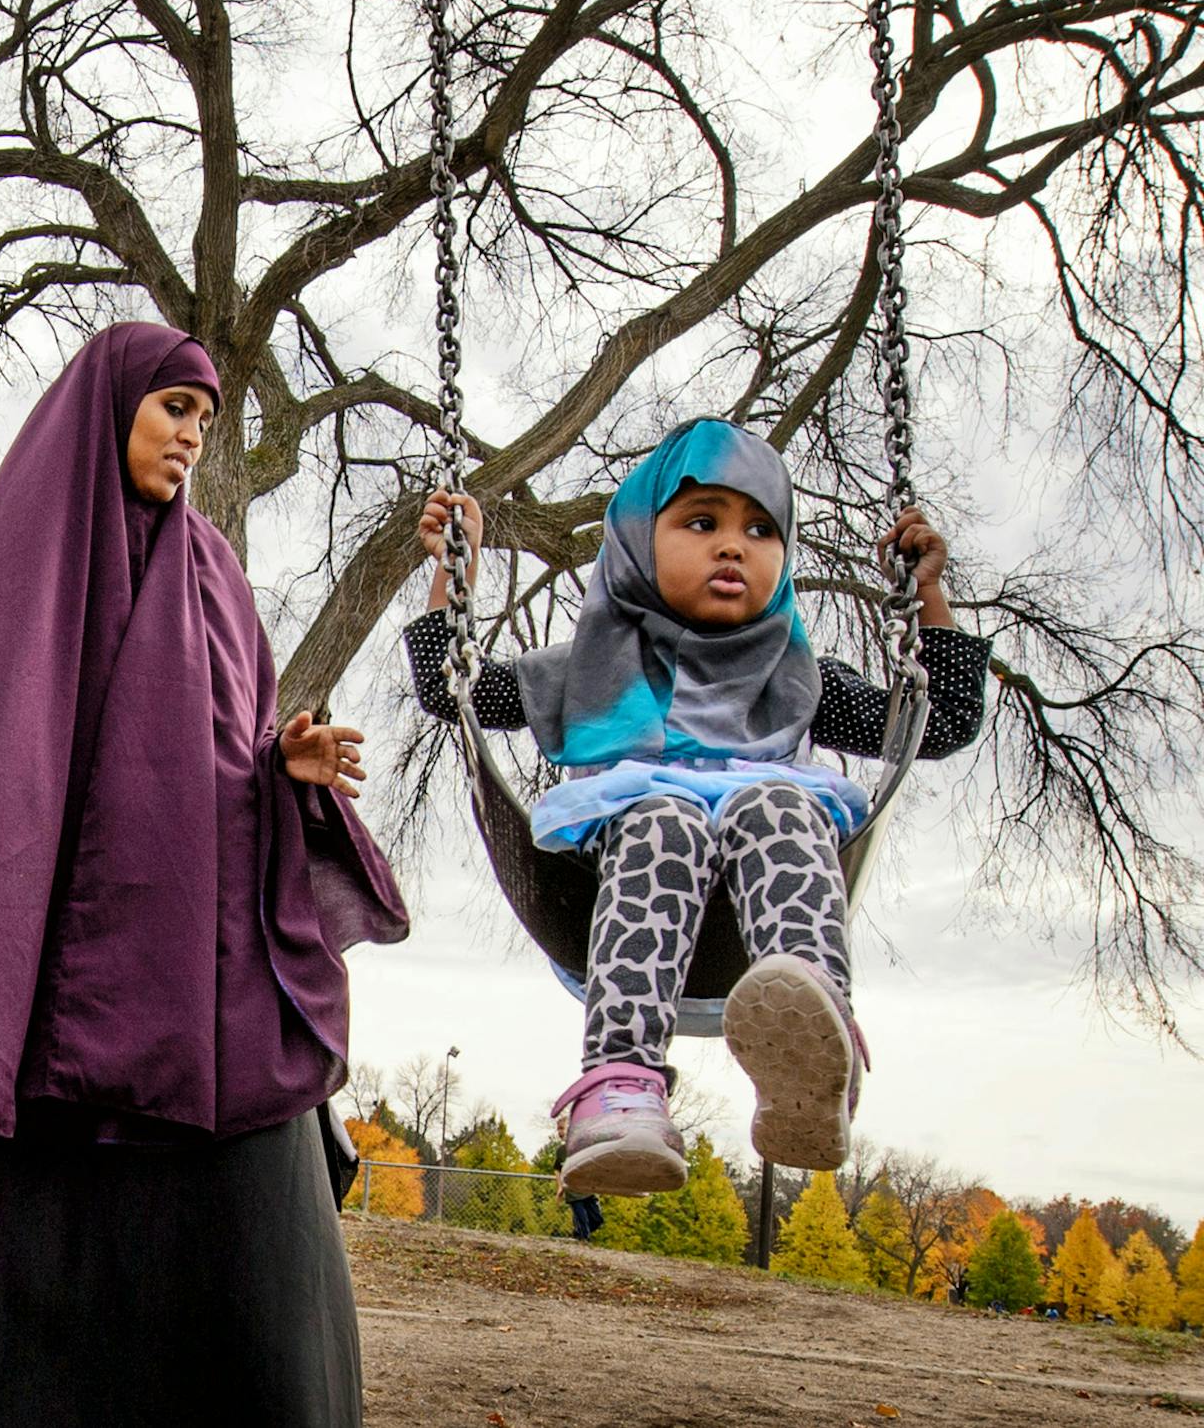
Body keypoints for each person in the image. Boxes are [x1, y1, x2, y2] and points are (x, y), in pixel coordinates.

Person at [0, 323, 408, 1428]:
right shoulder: (29, 554)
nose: (191, 437)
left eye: (204, 419)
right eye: (172, 409)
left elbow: (221, 762)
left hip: (192, 992)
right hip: (32, 982)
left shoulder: (215, 574)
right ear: (112, 409)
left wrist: (284, 770)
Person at [405, 418, 988, 1196]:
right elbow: (456, 691)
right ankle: (621, 1086)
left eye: (760, 528)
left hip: (760, 922)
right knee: (666, 817)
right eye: (702, 521)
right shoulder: (590, 668)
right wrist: (452, 570)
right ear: (640, 538)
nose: (734, 545)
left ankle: (811, 1058)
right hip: (631, 902)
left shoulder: (798, 675)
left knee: (780, 801)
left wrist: (929, 594)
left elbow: (938, 722)